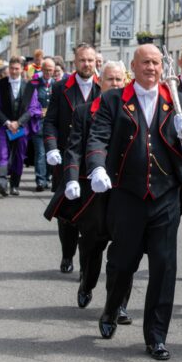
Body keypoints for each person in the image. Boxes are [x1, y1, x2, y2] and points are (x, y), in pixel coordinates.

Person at [86, 44, 182, 360]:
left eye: (156, 63)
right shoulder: (112, 99)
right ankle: (111, 308)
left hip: (165, 195)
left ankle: (156, 336)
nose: (151, 68)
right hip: (127, 194)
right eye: (145, 62)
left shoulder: (177, 99)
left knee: (164, 266)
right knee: (122, 262)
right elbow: (98, 137)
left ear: (163, 67)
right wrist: (96, 167)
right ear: (133, 65)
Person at [44, 61, 133, 322]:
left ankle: (119, 304)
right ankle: (87, 283)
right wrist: (71, 177)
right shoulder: (84, 111)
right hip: (92, 193)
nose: (115, 85)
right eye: (110, 80)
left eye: (119, 80)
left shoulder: (132, 111)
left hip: (122, 192)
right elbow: (73, 148)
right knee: (92, 246)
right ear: (100, 83)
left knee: (125, 249)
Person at [44, 43, 100, 274]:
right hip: (67, 158)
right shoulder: (60, 88)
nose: (87, 65)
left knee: (93, 215)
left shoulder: (105, 86)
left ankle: (88, 261)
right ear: (74, 62)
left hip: (97, 161)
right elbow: (50, 122)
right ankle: (68, 253)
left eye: (90, 60)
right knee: (66, 212)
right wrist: (51, 147)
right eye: (82, 60)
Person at [0, 57, 42, 196]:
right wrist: (8, 123)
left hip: (21, 127)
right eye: (12, 68)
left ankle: (15, 185)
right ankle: (2, 181)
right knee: (2, 152)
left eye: (17, 68)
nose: (14, 71)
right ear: (8, 69)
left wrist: (19, 122)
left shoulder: (29, 87)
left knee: (19, 154)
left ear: (22, 69)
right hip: (2, 126)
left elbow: (33, 109)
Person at [27, 58, 55, 191]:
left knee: (51, 152)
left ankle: (48, 176)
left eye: (50, 70)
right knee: (40, 153)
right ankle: (40, 180)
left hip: (53, 126)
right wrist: (39, 111)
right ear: (41, 70)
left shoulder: (57, 84)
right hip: (38, 124)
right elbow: (30, 102)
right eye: (45, 70)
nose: (48, 72)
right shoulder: (34, 84)